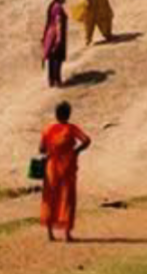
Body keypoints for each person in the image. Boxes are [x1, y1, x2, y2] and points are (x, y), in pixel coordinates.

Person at [39, 100, 92, 242]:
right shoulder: (71, 128)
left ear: (56, 115)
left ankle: (50, 234)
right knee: (67, 198)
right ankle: (67, 235)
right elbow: (86, 140)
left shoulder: (48, 129)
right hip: (67, 167)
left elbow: (41, 149)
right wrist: (76, 151)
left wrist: (51, 150)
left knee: (50, 198)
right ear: (68, 115)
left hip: (51, 168)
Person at [42, 0, 68, 88]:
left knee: (52, 58)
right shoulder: (58, 7)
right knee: (58, 58)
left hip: (50, 34)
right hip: (56, 34)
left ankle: (51, 80)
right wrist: (59, 37)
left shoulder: (52, 6)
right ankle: (57, 80)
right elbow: (58, 22)